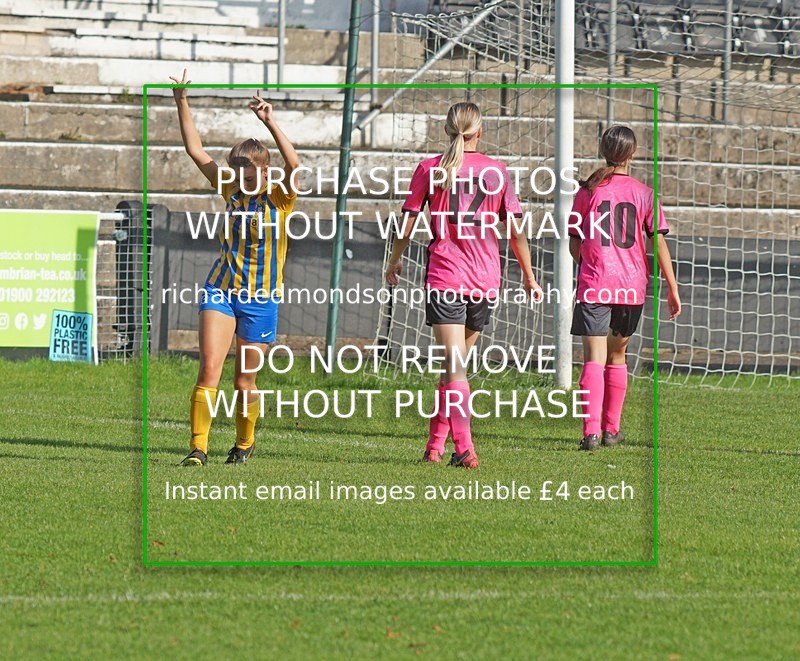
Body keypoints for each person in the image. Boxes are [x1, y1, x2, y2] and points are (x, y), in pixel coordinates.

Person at [385, 101, 543, 468]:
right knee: (455, 367)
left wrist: (395, 260)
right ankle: (435, 447)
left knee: (453, 369)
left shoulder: (429, 169)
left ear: (446, 130)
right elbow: (517, 232)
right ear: (480, 132)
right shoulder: (497, 171)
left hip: (446, 275)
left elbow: (407, 223)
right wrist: (530, 276)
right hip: (485, 279)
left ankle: (463, 449)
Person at [169, 69, 300, 466]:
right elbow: (196, 152)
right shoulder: (230, 188)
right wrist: (181, 99)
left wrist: (270, 121)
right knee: (209, 367)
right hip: (221, 290)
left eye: (246, 173)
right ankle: (198, 447)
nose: (239, 179)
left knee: (245, 380)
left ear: (263, 171)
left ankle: (244, 443)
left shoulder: (280, 197)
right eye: (235, 172)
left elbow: (295, 164)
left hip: (261, 299)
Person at [569, 124, 681, 451]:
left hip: (595, 281)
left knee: (592, 357)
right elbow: (657, 244)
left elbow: (575, 242)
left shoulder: (587, 191)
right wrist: (672, 288)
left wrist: (588, 265)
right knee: (618, 354)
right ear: (632, 154)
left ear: (604, 151)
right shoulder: (645, 194)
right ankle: (611, 430)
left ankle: (589, 434)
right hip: (631, 285)